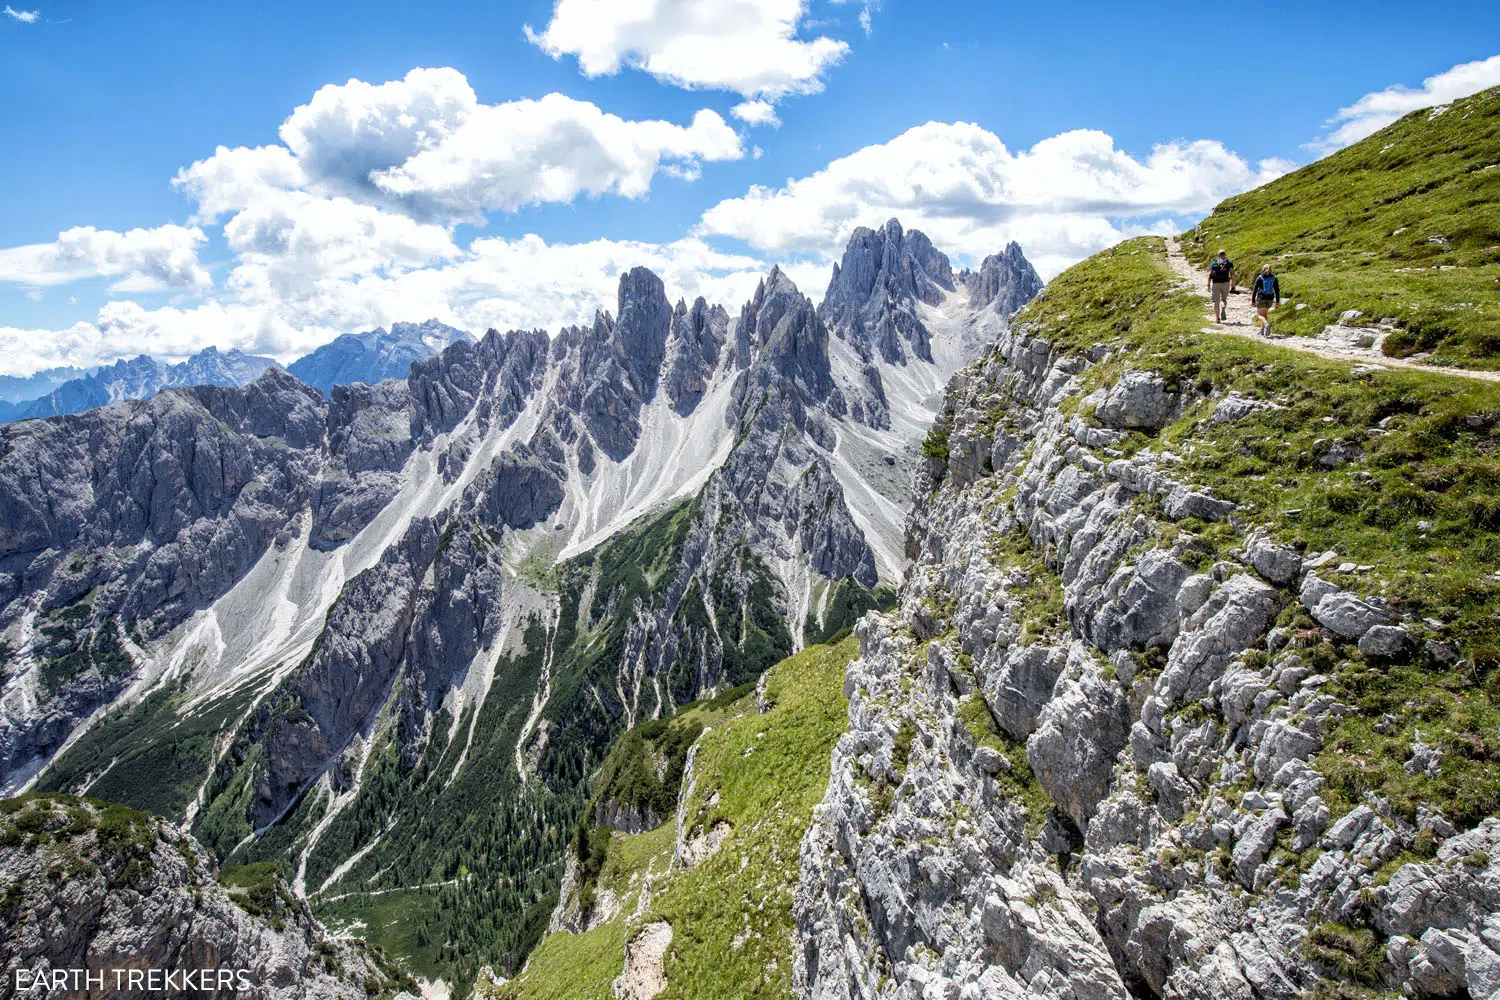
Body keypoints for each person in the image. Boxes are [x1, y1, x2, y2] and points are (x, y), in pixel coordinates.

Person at [1251, 265, 1280, 333]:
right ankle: (1262, 330)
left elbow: (1255, 290)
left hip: (1262, 297)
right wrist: (1277, 301)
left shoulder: (1260, 278)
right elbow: (1277, 290)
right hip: (1270, 297)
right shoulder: (1274, 278)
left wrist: (1253, 300)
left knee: (1259, 315)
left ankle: (1266, 325)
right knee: (1264, 314)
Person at [1207, 250, 1234, 322]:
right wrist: (1233, 284)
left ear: (1218, 255)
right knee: (1224, 299)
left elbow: (1210, 274)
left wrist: (1208, 285)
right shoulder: (1229, 263)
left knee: (1216, 302)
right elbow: (1232, 273)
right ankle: (1223, 308)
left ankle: (1217, 318)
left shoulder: (1214, 263)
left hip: (1216, 284)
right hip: (1226, 283)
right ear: (1225, 255)